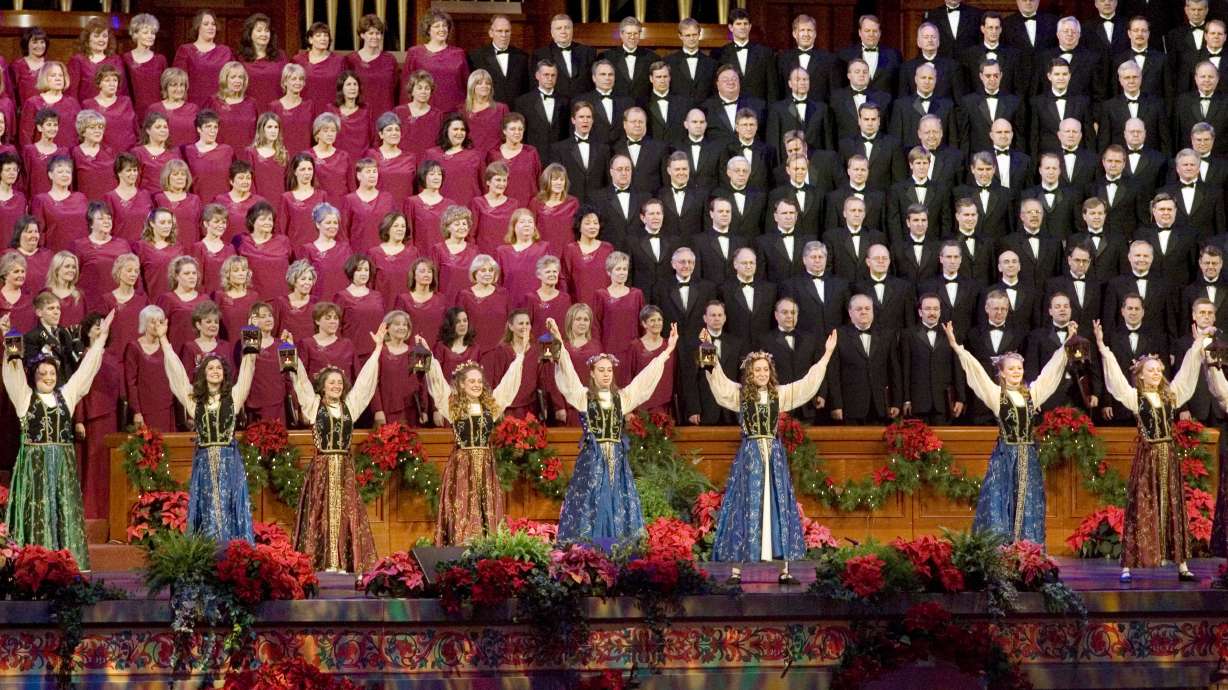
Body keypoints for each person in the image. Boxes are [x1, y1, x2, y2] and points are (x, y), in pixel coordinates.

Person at [702, 328, 838, 582]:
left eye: (765, 369)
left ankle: (785, 570)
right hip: (750, 456)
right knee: (744, 506)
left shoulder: (779, 395)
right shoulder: (740, 395)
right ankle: (736, 570)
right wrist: (709, 348)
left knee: (778, 505)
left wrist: (827, 354)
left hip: (773, 456)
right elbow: (717, 380)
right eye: (757, 370)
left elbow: (806, 384)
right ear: (750, 373)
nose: (762, 374)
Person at [3, 310, 114, 569]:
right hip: (35, 469)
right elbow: (12, 371)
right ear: (34, 376)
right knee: (37, 513)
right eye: (43, 374)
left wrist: (100, 340)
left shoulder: (67, 395)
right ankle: (32, 564)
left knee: (61, 512)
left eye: (52, 373)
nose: (49, 378)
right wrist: (7, 338)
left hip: (62, 468)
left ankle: (66, 564)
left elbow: (85, 370)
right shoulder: (24, 398)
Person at [551, 318, 679, 542]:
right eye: (601, 370)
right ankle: (588, 544)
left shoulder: (622, 398)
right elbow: (568, 375)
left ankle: (619, 544)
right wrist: (560, 343)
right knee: (590, 499)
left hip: (617, 459)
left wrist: (667, 351)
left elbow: (644, 381)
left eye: (609, 370)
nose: (606, 374)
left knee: (617, 499)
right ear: (592, 373)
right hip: (592, 459)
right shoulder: (584, 398)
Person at [945, 320, 1072, 544]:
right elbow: (977, 374)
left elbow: (1050, 372)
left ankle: (1027, 550)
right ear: (1002, 373)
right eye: (1011, 369)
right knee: (1000, 501)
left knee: (1028, 503)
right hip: (1005, 457)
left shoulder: (1032, 394)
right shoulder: (996, 396)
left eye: (1019, 368)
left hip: (1028, 457)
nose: (1016, 372)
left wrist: (1066, 345)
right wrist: (957, 348)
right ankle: (1001, 551)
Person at [1101, 321, 1203, 582]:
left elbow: (1187, 374)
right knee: (1142, 506)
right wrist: (1104, 350)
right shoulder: (1136, 397)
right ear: (1142, 375)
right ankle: (1128, 564)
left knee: (1173, 504)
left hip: (1168, 457)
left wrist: (1197, 345)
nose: (1157, 373)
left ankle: (1181, 564)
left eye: (1159, 369)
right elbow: (1116, 382)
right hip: (1148, 458)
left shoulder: (1171, 396)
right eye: (1151, 370)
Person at [288, 322, 387, 573]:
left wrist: (377, 350)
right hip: (322, 468)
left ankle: (343, 561)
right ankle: (321, 562)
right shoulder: (313, 406)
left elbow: (365, 383)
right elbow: (300, 382)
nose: (336, 386)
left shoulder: (349, 407)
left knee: (345, 513)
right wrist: (289, 348)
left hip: (343, 468)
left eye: (339, 383)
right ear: (322, 386)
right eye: (331, 383)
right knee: (320, 513)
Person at [422, 332, 525, 545]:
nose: (476, 385)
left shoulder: (490, 406)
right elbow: (439, 386)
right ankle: (463, 543)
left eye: (479, 381)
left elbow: (508, 387)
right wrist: (430, 358)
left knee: (485, 504)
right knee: (463, 503)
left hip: (486, 464)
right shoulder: (453, 407)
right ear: (461, 384)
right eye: (471, 381)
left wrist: (520, 357)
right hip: (462, 465)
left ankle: (487, 546)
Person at [160, 334, 256, 543]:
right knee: (207, 504)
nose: (215, 371)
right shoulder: (195, 400)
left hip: (229, 461)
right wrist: (164, 340)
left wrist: (251, 335)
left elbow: (248, 371)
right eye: (210, 368)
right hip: (204, 462)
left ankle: (231, 550)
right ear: (203, 373)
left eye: (219, 368)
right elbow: (177, 375)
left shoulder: (233, 398)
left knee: (229, 504)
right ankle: (209, 550)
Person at [173, 9, 234, 107]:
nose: (211, 27)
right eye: (206, 24)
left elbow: (234, 79)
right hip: (193, 105)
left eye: (213, 24)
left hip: (220, 105)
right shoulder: (186, 50)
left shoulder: (225, 51)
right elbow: (177, 81)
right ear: (198, 27)